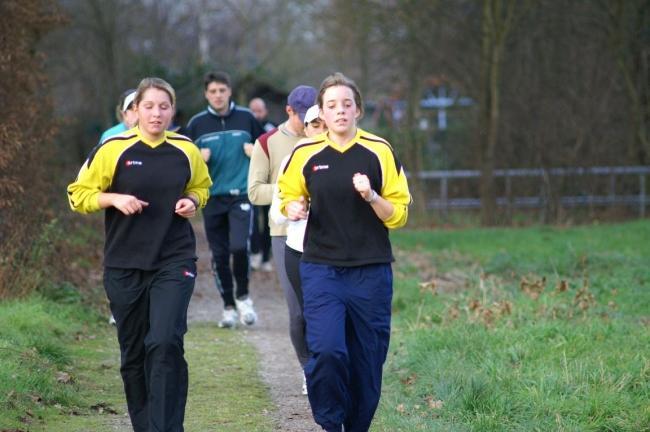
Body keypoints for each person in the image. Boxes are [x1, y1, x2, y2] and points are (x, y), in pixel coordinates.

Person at [67, 77, 212, 432]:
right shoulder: (113, 148)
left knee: (164, 342)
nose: (156, 113)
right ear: (134, 111)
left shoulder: (185, 149)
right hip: (124, 262)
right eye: (148, 106)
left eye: (164, 106)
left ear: (172, 110)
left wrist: (192, 200)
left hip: (174, 259)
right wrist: (113, 198)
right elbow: (77, 194)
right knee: (133, 354)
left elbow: (202, 185)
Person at [278, 72, 411, 432]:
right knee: (328, 351)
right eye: (332, 105)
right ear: (320, 112)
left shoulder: (379, 151)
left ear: (358, 110)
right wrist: (292, 207)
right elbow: (288, 195)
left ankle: (356, 426)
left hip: (371, 270)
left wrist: (371, 196)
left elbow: (398, 215)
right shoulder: (305, 152)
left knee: (368, 361)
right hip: (321, 269)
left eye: (346, 105)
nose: (340, 111)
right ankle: (330, 420)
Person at [248, 85, 317, 394]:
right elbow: (254, 191)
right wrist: (290, 192)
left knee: (324, 307)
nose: (309, 123)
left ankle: (326, 367)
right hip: (284, 233)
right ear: (289, 111)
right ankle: (308, 369)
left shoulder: (325, 139)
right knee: (298, 309)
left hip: (326, 232)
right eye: (304, 117)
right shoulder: (267, 143)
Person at [186, 71, 265, 328]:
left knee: (240, 247)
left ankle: (243, 296)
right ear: (206, 94)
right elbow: (184, 163)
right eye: (212, 92)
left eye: (222, 90)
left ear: (229, 91)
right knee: (219, 254)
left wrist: (256, 152)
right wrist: (198, 157)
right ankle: (228, 306)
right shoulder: (196, 124)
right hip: (211, 197)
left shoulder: (247, 118)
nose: (218, 95)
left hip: (241, 194)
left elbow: (267, 150)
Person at [268, 105, 325, 396]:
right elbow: (276, 213)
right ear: (305, 128)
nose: (321, 129)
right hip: (301, 248)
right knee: (303, 315)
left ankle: (333, 370)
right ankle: (310, 369)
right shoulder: (295, 158)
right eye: (314, 124)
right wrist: (290, 209)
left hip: (340, 251)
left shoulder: (351, 156)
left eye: (324, 124)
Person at [98, 88, 139, 327]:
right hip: (119, 211)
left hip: (152, 211)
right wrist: (113, 198)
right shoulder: (110, 137)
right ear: (123, 114)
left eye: (139, 105)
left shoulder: (160, 135)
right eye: (131, 108)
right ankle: (118, 306)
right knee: (121, 259)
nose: (137, 112)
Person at [248, 97, 276, 272]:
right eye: (253, 110)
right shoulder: (244, 128)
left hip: (271, 182)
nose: (256, 114)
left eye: (259, 110)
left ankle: (266, 256)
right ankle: (254, 252)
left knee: (268, 220)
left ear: (265, 111)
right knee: (251, 219)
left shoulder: (273, 128)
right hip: (251, 180)